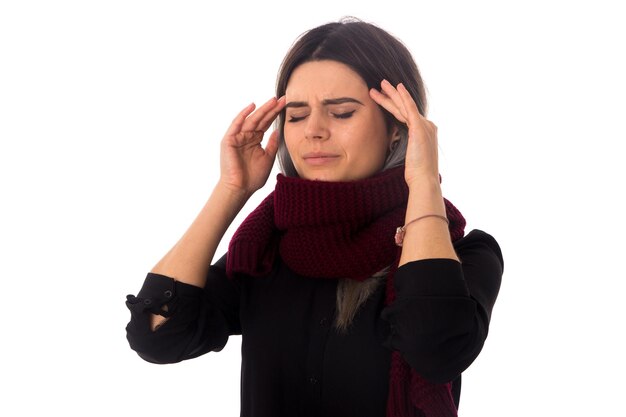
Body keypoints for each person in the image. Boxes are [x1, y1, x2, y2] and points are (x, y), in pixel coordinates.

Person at [125, 17, 503, 417]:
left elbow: (435, 349)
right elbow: (157, 337)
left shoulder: (465, 254)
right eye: (297, 115)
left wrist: (424, 179)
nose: (314, 131)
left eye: (341, 113)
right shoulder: (266, 251)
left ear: (398, 129)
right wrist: (231, 190)